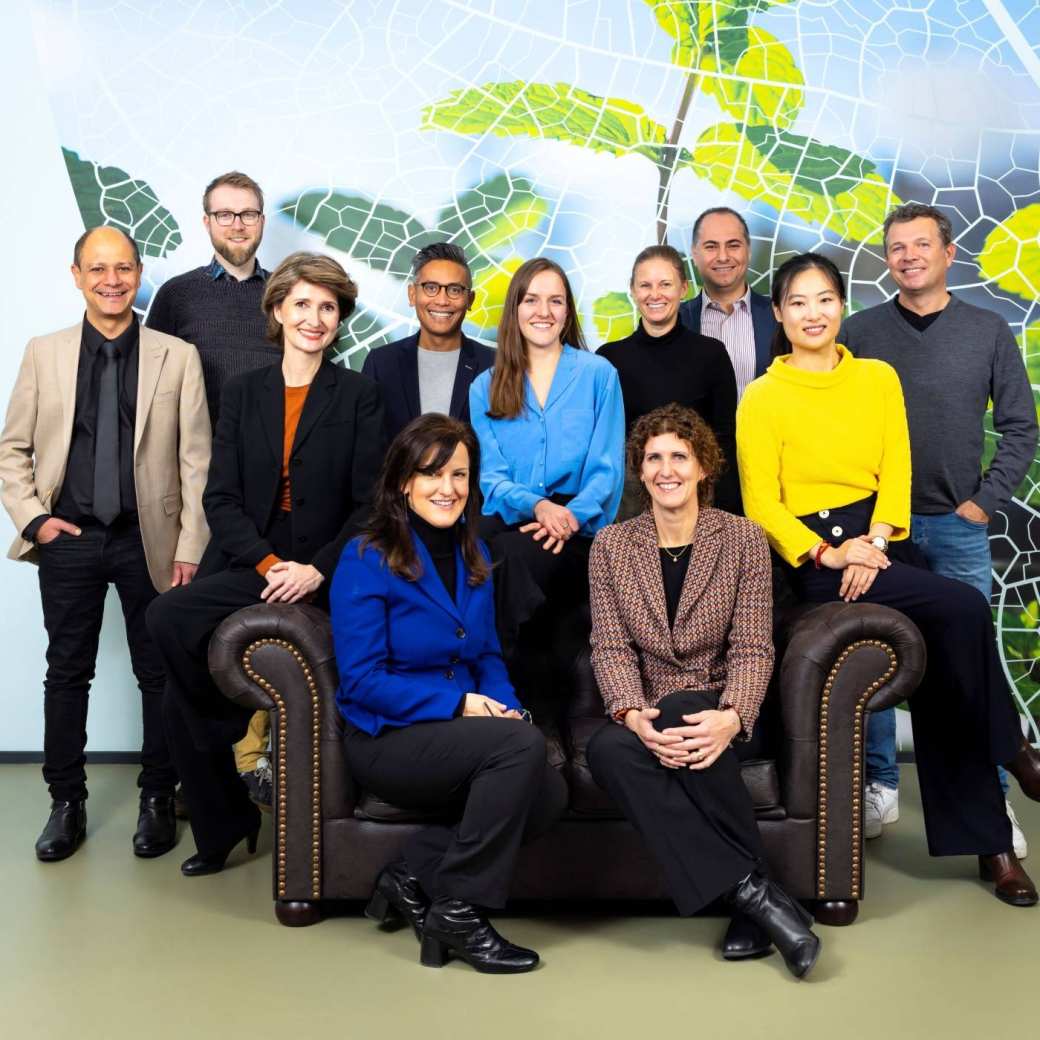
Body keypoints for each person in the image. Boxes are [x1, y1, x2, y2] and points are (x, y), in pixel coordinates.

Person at [736, 252, 1040, 907]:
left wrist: (873, 542)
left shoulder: (876, 378)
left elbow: (895, 467)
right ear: (781, 315)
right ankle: (1011, 751)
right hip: (812, 563)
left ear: (841, 307)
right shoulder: (762, 396)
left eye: (824, 300)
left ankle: (990, 845)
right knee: (959, 605)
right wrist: (831, 555)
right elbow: (762, 503)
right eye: (798, 302)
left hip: (877, 541)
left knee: (948, 656)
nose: (813, 313)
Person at [145, 251, 385, 876]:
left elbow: (369, 505)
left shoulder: (359, 394)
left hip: (326, 569)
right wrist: (270, 561)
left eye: (328, 307)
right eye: (301, 304)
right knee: (168, 616)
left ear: (339, 321)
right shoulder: (246, 391)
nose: (314, 317)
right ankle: (225, 764)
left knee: (176, 700)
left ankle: (223, 817)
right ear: (277, 310)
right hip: (255, 559)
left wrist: (316, 570)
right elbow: (219, 496)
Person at [586, 403, 820, 978]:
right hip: (653, 713)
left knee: (691, 708)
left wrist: (734, 716)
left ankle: (749, 901)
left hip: (724, 706)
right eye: (654, 458)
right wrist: (633, 715)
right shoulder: (611, 547)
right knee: (606, 748)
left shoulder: (742, 539)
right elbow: (611, 648)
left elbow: (753, 647)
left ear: (702, 468)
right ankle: (753, 895)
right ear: (640, 472)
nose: (667, 469)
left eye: (679, 457)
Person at [0, 225, 211, 862]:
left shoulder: (177, 356)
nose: (111, 280)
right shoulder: (45, 352)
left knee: (159, 674)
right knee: (66, 672)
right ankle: (66, 802)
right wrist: (35, 520)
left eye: (122, 268)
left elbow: (198, 462)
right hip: (69, 538)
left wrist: (191, 547)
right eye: (98, 269)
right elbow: (13, 448)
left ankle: (156, 797)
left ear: (139, 274)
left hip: (152, 540)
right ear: (77, 276)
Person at [334, 414, 567, 974]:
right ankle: (459, 913)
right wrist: (461, 705)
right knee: (521, 751)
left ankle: (410, 877)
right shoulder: (366, 557)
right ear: (403, 483)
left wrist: (506, 708)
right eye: (432, 474)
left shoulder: (475, 556)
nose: (448, 488)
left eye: (460, 474)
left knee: (550, 792)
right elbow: (362, 680)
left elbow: (485, 656)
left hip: (455, 733)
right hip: (387, 737)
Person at [842, 202, 1039, 857]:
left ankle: (994, 813)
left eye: (921, 245)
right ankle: (876, 784)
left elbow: (1020, 425)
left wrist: (983, 502)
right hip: (880, 532)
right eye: (896, 247)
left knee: (963, 671)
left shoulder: (987, 330)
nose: (908, 256)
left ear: (949, 254)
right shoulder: (859, 331)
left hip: (956, 527)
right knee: (867, 660)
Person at [146, 169, 277, 808]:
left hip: (271, 500)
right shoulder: (176, 297)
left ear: (262, 219)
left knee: (259, 636)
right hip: (198, 499)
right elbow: (152, 393)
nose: (236, 225)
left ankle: (254, 763)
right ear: (205, 223)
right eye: (224, 215)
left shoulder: (286, 295)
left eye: (247, 213)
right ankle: (194, 784)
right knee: (187, 636)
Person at [468, 258, 625, 699]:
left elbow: (607, 470)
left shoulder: (598, 376)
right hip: (515, 516)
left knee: (509, 557)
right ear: (514, 309)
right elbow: (492, 479)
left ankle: (497, 694)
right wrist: (538, 506)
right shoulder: (486, 386)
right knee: (474, 548)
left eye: (555, 300)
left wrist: (568, 517)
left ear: (568, 311)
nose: (544, 310)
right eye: (531, 299)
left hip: (577, 529)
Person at [599, 244, 740, 513]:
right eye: (645, 285)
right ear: (632, 290)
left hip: (699, 502)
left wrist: (723, 515)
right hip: (630, 507)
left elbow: (725, 444)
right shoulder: (608, 360)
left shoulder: (711, 355)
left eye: (665, 284)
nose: (655, 294)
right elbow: (603, 450)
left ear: (683, 288)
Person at [362, 242, 495, 442]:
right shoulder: (380, 363)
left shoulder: (495, 365)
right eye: (431, 287)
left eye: (455, 290)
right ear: (412, 294)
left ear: (470, 300)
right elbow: (368, 446)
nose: (442, 300)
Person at [679, 207, 776, 398]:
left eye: (733, 245)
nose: (723, 256)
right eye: (711, 246)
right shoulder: (677, 321)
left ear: (748, 250)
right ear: (694, 254)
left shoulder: (780, 317)